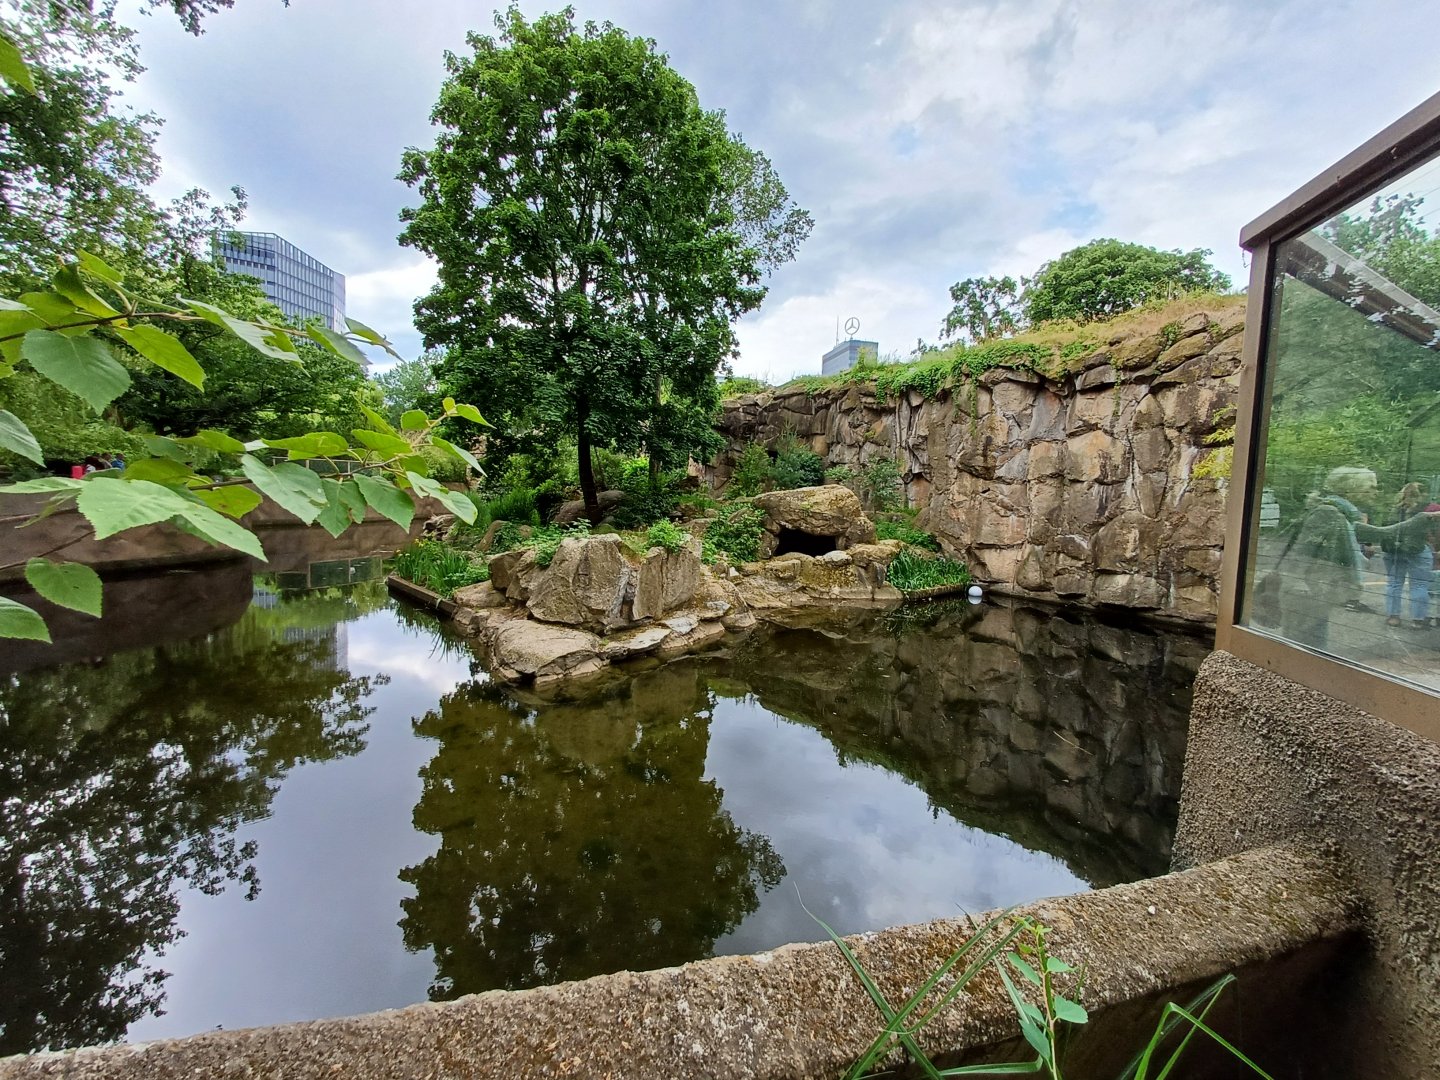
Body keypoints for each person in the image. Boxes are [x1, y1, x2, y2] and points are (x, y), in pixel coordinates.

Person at [1274, 467, 1439, 649]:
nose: (1376, 492)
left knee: (1310, 646)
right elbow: (1301, 554)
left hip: (1315, 593)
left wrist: (1422, 518)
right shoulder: (1328, 513)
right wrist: (1304, 591)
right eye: (1371, 487)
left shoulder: (1342, 514)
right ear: (1350, 488)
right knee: (1307, 649)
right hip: (1306, 595)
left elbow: (1381, 533)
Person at [1384, 482, 1431, 628]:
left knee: (1394, 582)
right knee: (1419, 584)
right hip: (1417, 550)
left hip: (1394, 551)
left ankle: (1393, 617)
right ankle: (1418, 619)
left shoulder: (1393, 510)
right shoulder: (1426, 510)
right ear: (1423, 494)